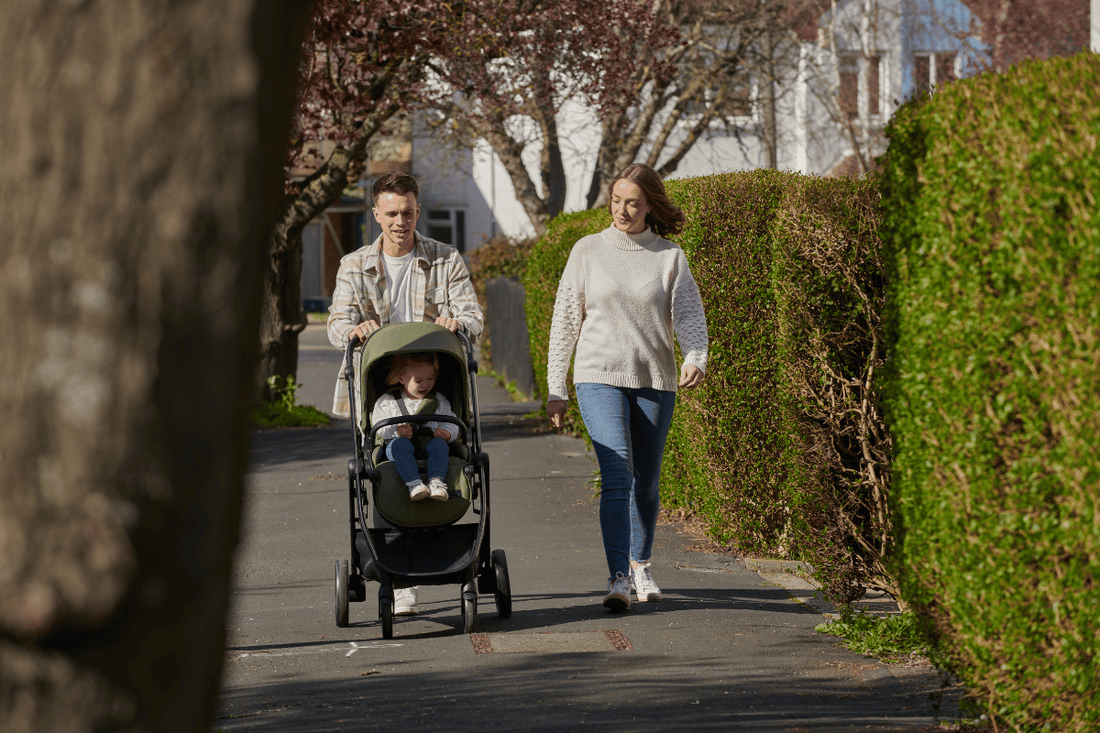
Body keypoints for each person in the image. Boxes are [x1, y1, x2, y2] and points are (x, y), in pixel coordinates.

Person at [546, 163, 708, 612]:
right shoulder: (587, 251)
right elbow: (564, 321)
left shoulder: (669, 257)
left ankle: (641, 563)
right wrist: (555, 385)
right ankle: (618, 577)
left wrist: (696, 357)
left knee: (647, 482)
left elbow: (691, 316)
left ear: (650, 205)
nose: (622, 209)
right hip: (597, 376)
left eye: (632, 202)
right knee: (616, 475)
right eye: (616, 200)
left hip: (654, 379)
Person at [328, 172, 484, 615]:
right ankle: (399, 578)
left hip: (434, 382)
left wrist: (459, 323)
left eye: (409, 212)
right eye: (392, 213)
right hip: (380, 384)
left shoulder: (444, 258)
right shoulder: (354, 265)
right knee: (383, 464)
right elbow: (337, 322)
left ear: (419, 211)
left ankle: (449, 552)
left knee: (445, 454)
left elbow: (472, 313)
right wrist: (353, 328)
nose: (401, 221)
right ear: (376, 213)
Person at [371, 353, 457, 502]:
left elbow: (452, 421)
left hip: (429, 445)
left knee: (440, 445)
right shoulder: (388, 401)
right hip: (398, 447)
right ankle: (414, 484)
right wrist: (396, 431)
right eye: (418, 380)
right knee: (400, 444)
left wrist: (448, 433)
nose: (425, 384)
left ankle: (436, 482)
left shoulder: (437, 401)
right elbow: (378, 428)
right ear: (401, 378)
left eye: (431, 379)